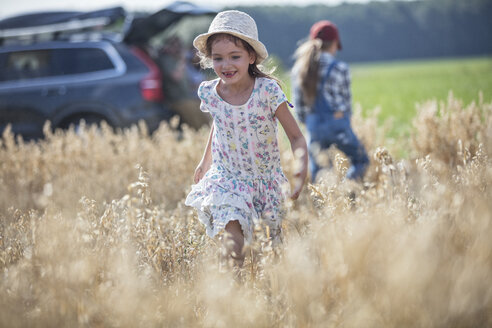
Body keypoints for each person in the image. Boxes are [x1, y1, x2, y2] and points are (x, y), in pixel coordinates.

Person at [185, 10, 308, 268]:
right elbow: (220, 125)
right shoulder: (210, 93)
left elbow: (296, 137)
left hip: (265, 181)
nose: (226, 65)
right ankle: (232, 294)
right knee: (233, 245)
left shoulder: (267, 91)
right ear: (209, 59)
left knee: (271, 253)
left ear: (251, 57)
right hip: (228, 179)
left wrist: (299, 174)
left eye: (234, 57)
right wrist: (204, 162)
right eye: (217, 58)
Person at [292, 20, 369, 182]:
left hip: (314, 126)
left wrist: (309, 123)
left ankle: (325, 204)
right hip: (337, 123)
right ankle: (347, 189)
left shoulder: (299, 69)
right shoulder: (340, 68)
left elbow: (298, 107)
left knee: (320, 172)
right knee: (361, 160)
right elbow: (346, 104)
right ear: (334, 43)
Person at [157, 36, 210, 130]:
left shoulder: (175, 59)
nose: (177, 48)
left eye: (179, 45)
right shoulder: (166, 60)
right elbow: (176, 77)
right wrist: (182, 59)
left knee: (206, 116)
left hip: (187, 97)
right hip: (178, 99)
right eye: (174, 45)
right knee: (198, 123)